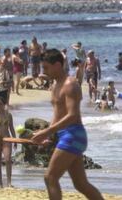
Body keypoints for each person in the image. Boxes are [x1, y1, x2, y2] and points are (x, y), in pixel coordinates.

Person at [31, 49, 103, 200]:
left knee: (50, 177)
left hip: (73, 135)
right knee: (81, 184)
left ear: (57, 65)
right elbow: (58, 114)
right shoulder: (55, 84)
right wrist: (49, 136)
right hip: (66, 135)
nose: (43, 71)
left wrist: (47, 131)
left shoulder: (70, 84)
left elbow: (73, 115)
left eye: (46, 67)